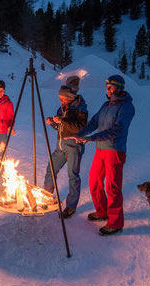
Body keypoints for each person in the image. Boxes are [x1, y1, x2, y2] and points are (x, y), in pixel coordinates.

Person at [70, 75, 135, 236]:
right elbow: (94, 122)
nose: (107, 89)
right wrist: (80, 134)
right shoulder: (106, 105)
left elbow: (117, 129)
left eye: (111, 87)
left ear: (119, 88)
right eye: (107, 87)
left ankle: (115, 223)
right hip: (100, 150)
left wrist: (91, 138)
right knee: (94, 181)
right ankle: (102, 211)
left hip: (115, 150)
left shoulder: (127, 107)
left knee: (112, 187)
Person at [43, 76, 88, 218]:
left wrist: (63, 120)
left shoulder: (80, 109)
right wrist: (53, 122)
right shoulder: (62, 108)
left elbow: (79, 127)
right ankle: (46, 197)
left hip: (74, 147)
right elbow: (60, 127)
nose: (60, 100)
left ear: (69, 97)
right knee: (51, 169)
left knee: (73, 176)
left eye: (62, 98)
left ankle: (71, 207)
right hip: (61, 145)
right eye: (60, 98)